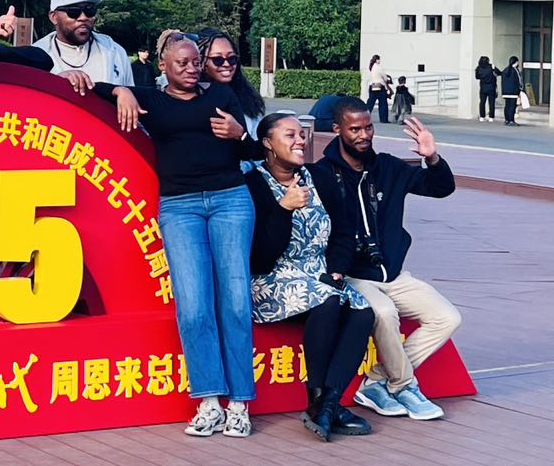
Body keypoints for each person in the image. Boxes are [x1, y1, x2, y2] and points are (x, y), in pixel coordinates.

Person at [134, 35, 257, 438]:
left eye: (194, 62)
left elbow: (252, 152)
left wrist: (239, 133)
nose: (190, 69)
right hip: (179, 207)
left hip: (230, 201)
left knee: (236, 301)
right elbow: (99, 88)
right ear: (164, 67)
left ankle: (239, 403)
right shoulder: (152, 101)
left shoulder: (220, 95)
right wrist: (119, 90)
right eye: (181, 63)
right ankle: (208, 401)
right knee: (194, 305)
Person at [312, 98, 460, 421]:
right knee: (383, 311)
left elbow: (441, 187)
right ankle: (405, 385)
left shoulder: (390, 168)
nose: (364, 135)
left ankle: (378, 381)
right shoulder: (322, 175)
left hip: (393, 274)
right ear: (337, 130)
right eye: (355, 129)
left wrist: (431, 157)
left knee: (448, 317)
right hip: (353, 276)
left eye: (368, 127)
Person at [245, 114, 374, 442]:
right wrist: (284, 209)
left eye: (301, 135)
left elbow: (345, 232)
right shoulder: (254, 184)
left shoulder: (319, 177)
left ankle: (326, 405)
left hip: (320, 275)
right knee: (329, 301)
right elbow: (260, 255)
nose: (300, 141)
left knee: (363, 311)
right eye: (290, 135)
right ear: (268, 144)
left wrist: (336, 269)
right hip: (271, 279)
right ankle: (319, 402)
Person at [34, 0, 132, 84]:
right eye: (73, 12)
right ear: (54, 17)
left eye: (89, 10)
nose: (83, 17)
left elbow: (131, 94)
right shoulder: (36, 56)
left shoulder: (115, 52)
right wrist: (55, 82)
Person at [195, 27, 264, 138]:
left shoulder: (248, 97)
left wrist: (240, 134)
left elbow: (257, 142)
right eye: (218, 60)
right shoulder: (189, 97)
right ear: (200, 61)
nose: (227, 64)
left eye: (232, 58)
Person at [366, 54, 392, 124]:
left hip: (372, 86)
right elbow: (385, 77)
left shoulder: (371, 67)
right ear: (377, 60)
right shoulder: (379, 67)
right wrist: (388, 80)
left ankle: (364, 116)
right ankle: (383, 119)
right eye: (379, 59)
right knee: (383, 104)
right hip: (380, 87)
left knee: (370, 103)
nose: (380, 61)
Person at [500, 55, 524, 125]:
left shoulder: (505, 70)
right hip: (513, 92)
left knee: (507, 106)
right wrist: (520, 89)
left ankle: (507, 120)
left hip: (505, 92)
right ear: (516, 62)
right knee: (512, 106)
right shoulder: (516, 71)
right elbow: (519, 81)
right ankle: (511, 120)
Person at [475, 56, 498, 120]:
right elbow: (498, 73)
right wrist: (493, 69)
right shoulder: (491, 67)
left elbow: (477, 77)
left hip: (483, 87)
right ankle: (491, 117)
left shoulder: (478, 68)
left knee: (482, 102)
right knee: (491, 102)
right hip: (491, 87)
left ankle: (482, 116)